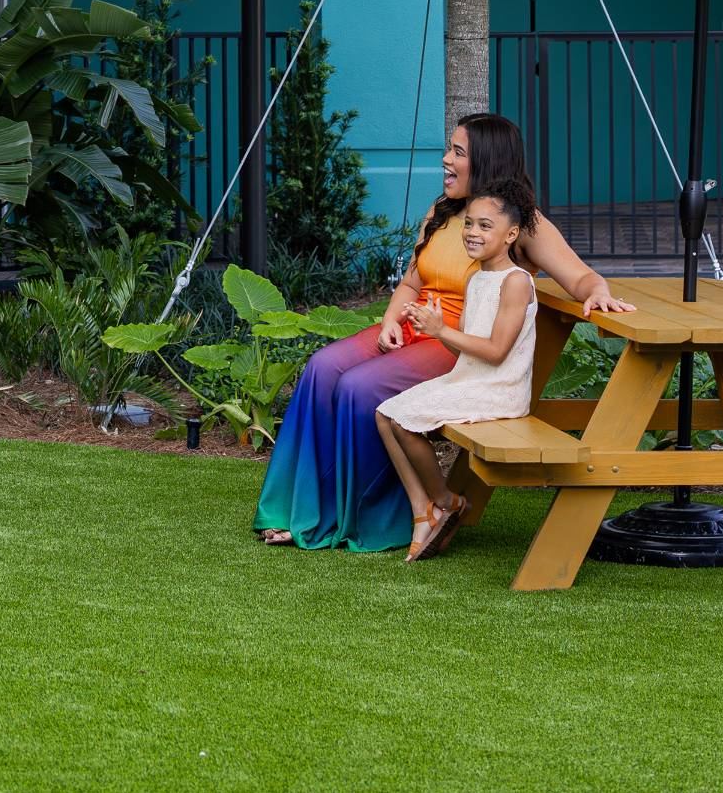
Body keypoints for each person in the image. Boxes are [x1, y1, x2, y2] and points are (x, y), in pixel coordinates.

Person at [253, 111, 631, 551]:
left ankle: (357, 520)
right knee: (322, 367)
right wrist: (393, 319)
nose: (445, 160)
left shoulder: (522, 222)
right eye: (449, 149)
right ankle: (295, 510)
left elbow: (580, 277)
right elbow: (413, 281)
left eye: (458, 152)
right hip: (412, 325)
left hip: (456, 343)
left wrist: (597, 292)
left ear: (487, 161)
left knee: (360, 387)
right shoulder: (443, 211)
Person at [376, 183, 539, 561]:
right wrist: (433, 325)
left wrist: (442, 330)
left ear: (510, 235)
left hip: (500, 388)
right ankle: (424, 510)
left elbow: (497, 353)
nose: (472, 233)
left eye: (485, 226)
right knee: (385, 413)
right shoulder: (476, 277)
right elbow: (463, 346)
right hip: (470, 377)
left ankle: (447, 500)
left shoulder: (515, 282)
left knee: (403, 421)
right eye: (469, 224)